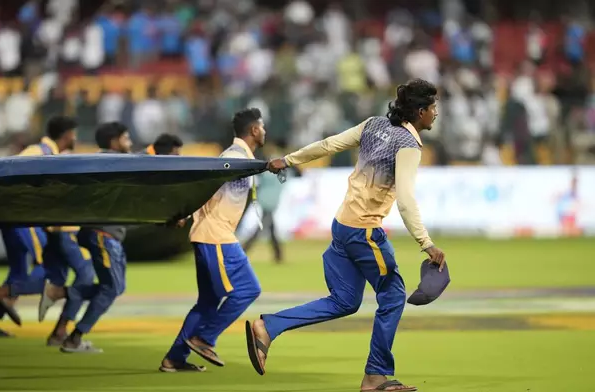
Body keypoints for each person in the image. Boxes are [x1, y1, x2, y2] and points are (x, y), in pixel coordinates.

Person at [245, 79, 447, 392]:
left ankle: (268, 326)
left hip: (342, 226)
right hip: (364, 232)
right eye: (433, 108)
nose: (435, 113)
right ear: (420, 111)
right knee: (393, 295)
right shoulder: (409, 144)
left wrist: (287, 159)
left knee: (344, 301)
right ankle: (376, 376)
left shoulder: (373, 125)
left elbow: (328, 145)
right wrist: (427, 243)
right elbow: (406, 200)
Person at [159, 108, 265, 372]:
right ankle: (205, 338)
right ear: (254, 130)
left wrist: (188, 214)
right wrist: (185, 212)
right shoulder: (233, 157)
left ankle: (174, 358)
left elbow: (209, 192)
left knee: (208, 301)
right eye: (262, 127)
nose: (264, 131)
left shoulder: (240, 158)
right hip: (216, 235)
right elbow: (203, 185)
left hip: (211, 235)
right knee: (248, 289)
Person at [0, 116, 93, 339]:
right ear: (67, 134)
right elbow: (10, 171)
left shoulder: (49, 153)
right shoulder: (39, 152)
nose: (75, 138)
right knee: (47, 271)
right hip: (24, 219)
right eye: (74, 133)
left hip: (16, 218)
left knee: (19, 272)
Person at [38, 122, 132, 353]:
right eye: (126, 138)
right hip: (104, 233)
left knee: (115, 288)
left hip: (102, 233)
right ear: (114, 142)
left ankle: (62, 294)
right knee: (111, 288)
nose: (129, 143)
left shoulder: (97, 162)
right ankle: (75, 338)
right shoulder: (116, 163)